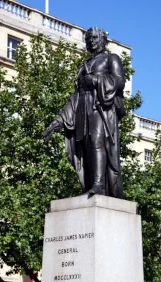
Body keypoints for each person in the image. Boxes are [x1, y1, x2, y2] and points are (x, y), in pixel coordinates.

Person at [43, 27, 126, 199]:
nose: (92, 41)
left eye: (95, 38)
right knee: (86, 146)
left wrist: (96, 80)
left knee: (97, 141)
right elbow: (75, 97)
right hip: (82, 107)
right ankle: (90, 184)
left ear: (103, 40)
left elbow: (119, 82)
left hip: (100, 106)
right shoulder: (84, 66)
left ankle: (98, 185)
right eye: (89, 39)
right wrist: (58, 121)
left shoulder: (112, 59)